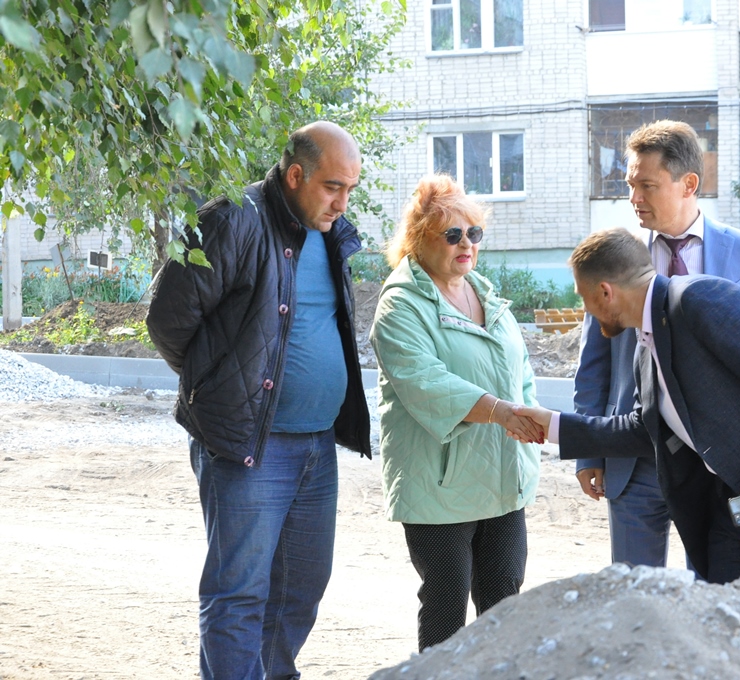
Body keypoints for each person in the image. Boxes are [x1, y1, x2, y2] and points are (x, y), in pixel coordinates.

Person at [516, 228, 740, 590]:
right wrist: (553, 425)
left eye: (583, 297)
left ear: (605, 292)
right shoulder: (646, 347)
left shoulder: (699, 297)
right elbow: (644, 429)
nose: (585, 310)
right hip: (732, 511)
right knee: (726, 620)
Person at [146, 121, 372, 680]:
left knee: (300, 587)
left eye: (350, 189)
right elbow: (168, 320)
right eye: (333, 187)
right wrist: (218, 388)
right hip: (250, 444)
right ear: (295, 175)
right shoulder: (232, 218)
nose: (343, 203)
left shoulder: (329, 231)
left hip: (317, 443)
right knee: (239, 594)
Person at [573, 120, 740, 569]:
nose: (634, 198)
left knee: (715, 591)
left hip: (719, 463)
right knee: (637, 593)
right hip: (635, 460)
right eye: (630, 185)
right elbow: (594, 362)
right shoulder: (616, 254)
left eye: (647, 186)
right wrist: (589, 450)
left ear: (689, 184)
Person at [369, 174, 544, 651]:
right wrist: (499, 411)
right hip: (439, 485)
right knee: (446, 607)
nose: (466, 243)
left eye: (474, 233)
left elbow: (520, 372)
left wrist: (527, 421)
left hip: (502, 478)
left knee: (505, 604)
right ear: (418, 240)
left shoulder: (486, 293)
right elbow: (425, 382)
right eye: (452, 234)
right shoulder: (400, 305)